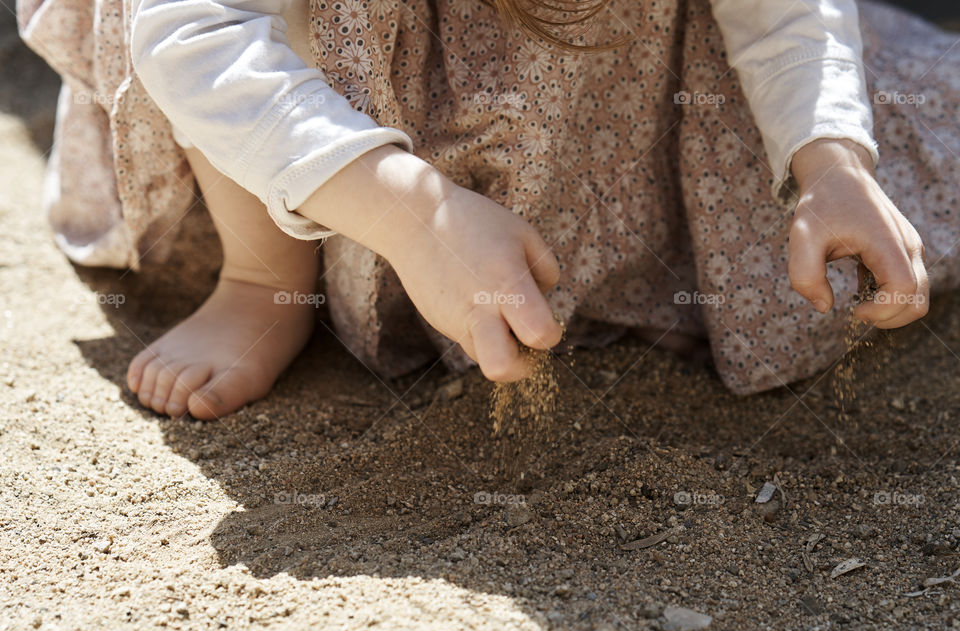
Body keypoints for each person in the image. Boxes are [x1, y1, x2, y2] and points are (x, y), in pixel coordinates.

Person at [18, 0, 959, 419]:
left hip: (595, 98)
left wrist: (828, 158)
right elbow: (197, 34)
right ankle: (266, 276)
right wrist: (415, 218)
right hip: (335, 92)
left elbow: (784, 11)